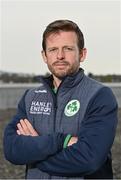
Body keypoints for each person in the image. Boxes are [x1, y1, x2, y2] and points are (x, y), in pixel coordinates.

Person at [3, 19, 118, 179]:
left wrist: (34, 154)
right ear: (44, 55)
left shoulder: (99, 96)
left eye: (68, 49)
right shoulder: (30, 97)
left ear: (82, 53)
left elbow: (89, 159)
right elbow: (12, 149)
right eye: (53, 49)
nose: (60, 56)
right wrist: (61, 141)